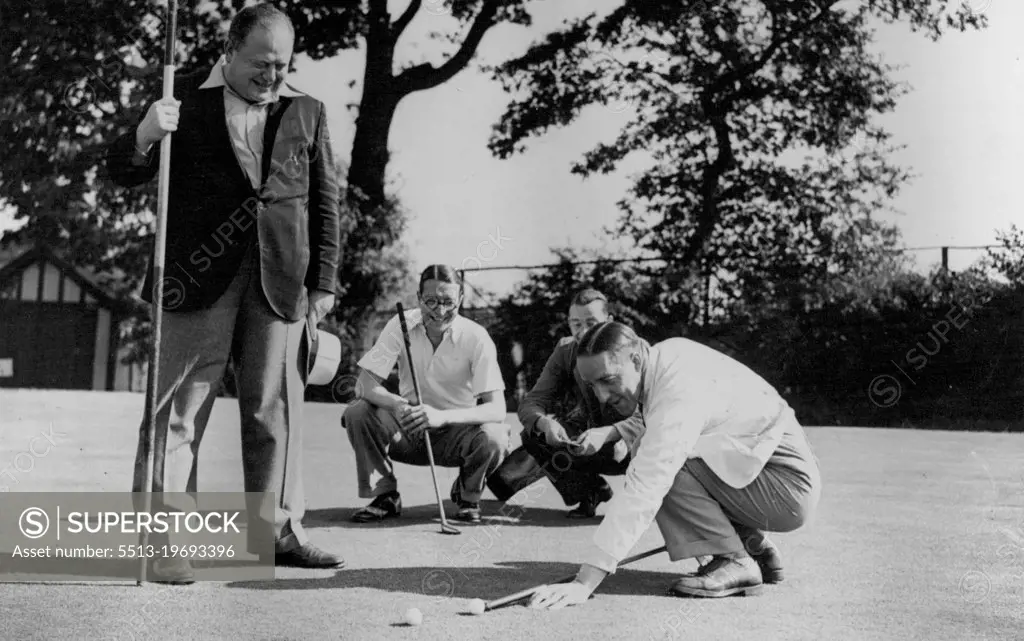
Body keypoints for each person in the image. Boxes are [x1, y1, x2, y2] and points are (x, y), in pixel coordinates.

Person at [106, 3, 344, 584]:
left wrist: (325, 284)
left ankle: (276, 532)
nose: (272, 76)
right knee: (177, 414)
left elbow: (324, 203)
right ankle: (163, 544)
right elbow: (124, 169)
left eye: (282, 65)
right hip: (196, 276)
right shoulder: (179, 96)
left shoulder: (306, 110)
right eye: (261, 63)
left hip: (282, 280)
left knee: (273, 412)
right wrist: (144, 133)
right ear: (229, 50)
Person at [528, 321, 821, 607]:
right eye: (592, 385)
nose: (602, 396)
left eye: (608, 379)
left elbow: (646, 487)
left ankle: (735, 560)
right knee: (655, 449)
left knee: (660, 463)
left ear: (635, 359)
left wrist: (585, 582)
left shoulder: (676, 387)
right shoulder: (665, 358)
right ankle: (752, 547)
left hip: (786, 486)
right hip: (772, 475)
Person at [341, 265, 511, 524]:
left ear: (461, 300)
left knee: (496, 435)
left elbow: (497, 408)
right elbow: (363, 385)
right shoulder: (400, 325)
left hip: (456, 434)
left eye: (448, 302)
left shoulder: (477, 338)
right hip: (408, 429)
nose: (440, 311)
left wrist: (442, 417)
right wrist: (397, 404)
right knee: (357, 411)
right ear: (419, 298)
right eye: (431, 301)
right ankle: (385, 495)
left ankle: (468, 495)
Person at [490, 288, 646, 517]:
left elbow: (655, 412)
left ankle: (653, 507)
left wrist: (613, 433)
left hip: (637, 444)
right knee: (535, 436)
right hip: (590, 442)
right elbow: (532, 402)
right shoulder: (566, 349)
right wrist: (544, 423)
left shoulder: (635, 349)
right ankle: (590, 491)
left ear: (609, 321)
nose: (583, 332)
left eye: (592, 322)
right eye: (576, 324)